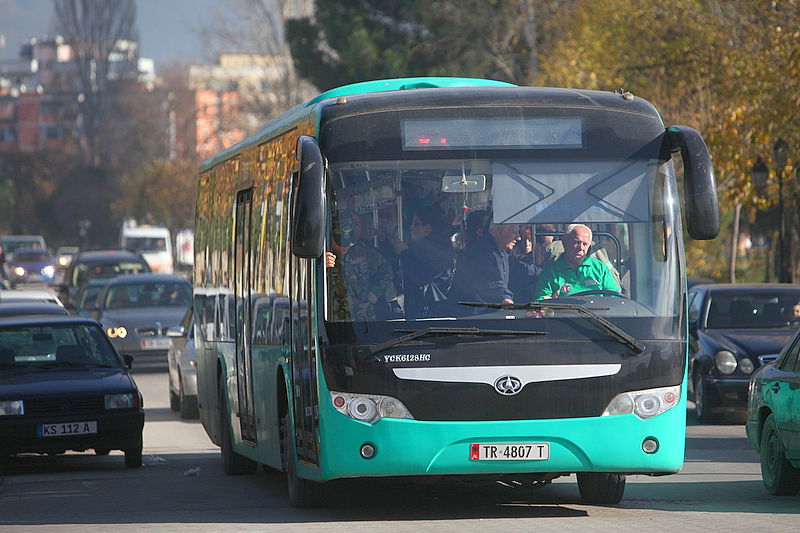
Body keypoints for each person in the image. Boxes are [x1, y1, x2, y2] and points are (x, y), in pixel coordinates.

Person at [327, 210, 399, 321]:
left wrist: (375, 292)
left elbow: (386, 269)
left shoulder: (363, 252)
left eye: (349, 242)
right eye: (341, 241)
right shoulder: (320, 257)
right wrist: (321, 268)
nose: (345, 246)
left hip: (364, 322)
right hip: (334, 324)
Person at [533, 223, 620, 299]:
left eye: (585, 244)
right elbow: (539, 303)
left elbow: (614, 300)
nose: (581, 248)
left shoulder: (600, 269)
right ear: (564, 242)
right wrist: (551, 302)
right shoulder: (550, 272)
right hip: (563, 317)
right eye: (576, 242)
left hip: (598, 317)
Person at [452, 210, 520, 305]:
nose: (518, 237)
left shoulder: (503, 253)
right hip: (470, 314)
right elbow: (491, 281)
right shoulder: (480, 251)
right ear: (500, 232)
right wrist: (505, 297)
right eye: (515, 232)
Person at [400, 205, 455, 318]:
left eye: (415, 224)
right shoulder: (444, 246)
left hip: (424, 311)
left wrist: (403, 253)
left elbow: (418, 276)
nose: (411, 228)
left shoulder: (422, 249)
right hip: (439, 310)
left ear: (427, 228)